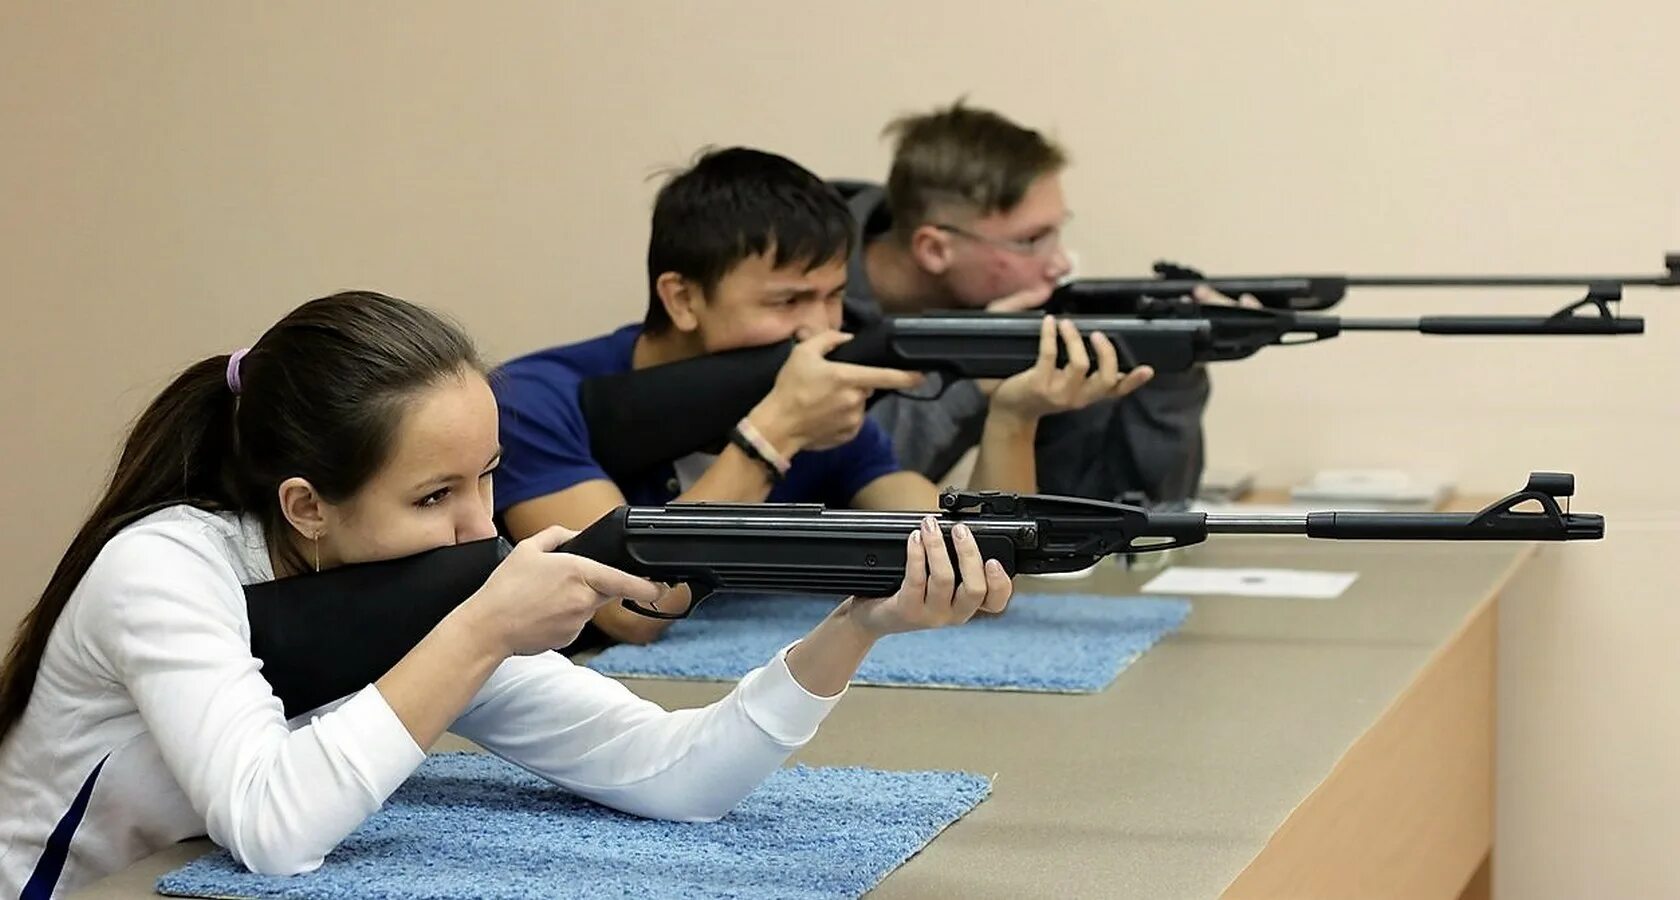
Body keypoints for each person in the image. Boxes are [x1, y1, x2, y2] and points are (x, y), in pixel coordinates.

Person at [0, 291, 1014, 896]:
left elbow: (676, 775)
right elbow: (272, 830)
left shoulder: (420, 595)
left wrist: (856, 627)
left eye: (489, 476)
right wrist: (483, 623)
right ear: (307, 506)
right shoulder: (162, 569)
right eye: (436, 494)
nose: (483, 527)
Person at [492, 148, 1153, 649]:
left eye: (834, 295)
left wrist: (1013, 416)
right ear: (682, 298)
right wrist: (771, 435)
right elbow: (627, 615)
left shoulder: (824, 403)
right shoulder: (534, 404)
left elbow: (971, 572)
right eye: (787, 301)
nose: (820, 328)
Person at [837, 100, 1220, 503]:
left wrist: (1174, 367)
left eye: (1056, 232)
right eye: (1030, 240)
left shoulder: (1009, 311)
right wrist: (968, 383)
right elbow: (821, 482)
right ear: (934, 250)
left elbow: (1100, 512)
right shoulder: (796, 296)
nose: (1058, 263)